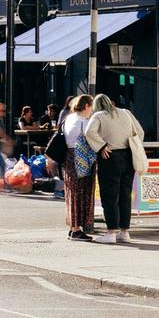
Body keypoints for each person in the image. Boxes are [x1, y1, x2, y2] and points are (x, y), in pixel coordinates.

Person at [85, 93, 146, 244]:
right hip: (128, 155)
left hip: (109, 156)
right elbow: (140, 132)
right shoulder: (126, 112)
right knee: (125, 194)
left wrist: (101, 146)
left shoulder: (98, 116)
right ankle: (125, 232)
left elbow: (89, 132)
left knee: (110, 195)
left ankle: (111, 232)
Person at [61, 95, 95, 241]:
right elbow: (93, 139)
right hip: (81, 158)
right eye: (91, 107)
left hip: (69, 157)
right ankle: (76, 230)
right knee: (81, 192)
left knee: (71, 191)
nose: (92, 110)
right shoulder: (84, 122)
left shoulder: (69, 118)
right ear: (86, 106)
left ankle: (72, 227)